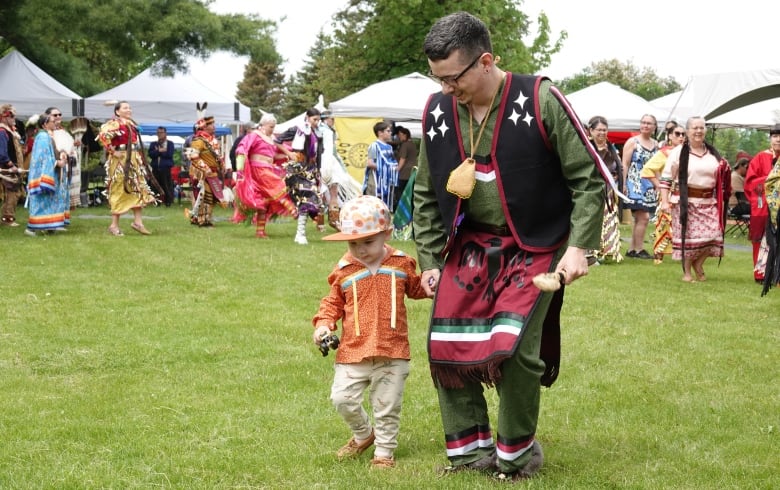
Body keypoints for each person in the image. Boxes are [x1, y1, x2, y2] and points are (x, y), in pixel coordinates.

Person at [414, 12, 606, 482]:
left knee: (514, 348)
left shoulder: (539, 99)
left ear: (485, 61)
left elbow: (589, 180)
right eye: (437, 79)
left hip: (536, 244)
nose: (444, 89)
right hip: (469, 244)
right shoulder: (438, 112)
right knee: (447, 342)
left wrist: (579, 247)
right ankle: (469, 451)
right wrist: (430, 258)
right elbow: (424, 192)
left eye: (452, 78)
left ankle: (517, 456)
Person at [312, 195, 430, 469]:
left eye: (368, 242)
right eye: (354, 243)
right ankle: (364, 434)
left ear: (386, 234)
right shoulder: (344, 270)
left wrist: (431, 287)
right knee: (342, 398)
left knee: (387, 406)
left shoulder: (401, 264)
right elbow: (332, 303)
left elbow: (415, 288)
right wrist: (323, 325)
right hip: (354, 349)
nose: (361, 250)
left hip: (392, 350)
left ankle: (384, 454)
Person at [658, 117, 731, 283]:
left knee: (715, 234)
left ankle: (699, 263)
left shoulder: (712, 153)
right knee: (689, 238)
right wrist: (664, 201)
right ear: (688, 131)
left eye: (701, 128)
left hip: (708, 201)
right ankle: (687, 272)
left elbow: (720, 175)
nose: (698, 131)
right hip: (686, 201)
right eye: (695, 128)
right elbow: (666, 179)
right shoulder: (678, 152)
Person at [231, 113, 297, 238]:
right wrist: (240, 170)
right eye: (271, 126)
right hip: (258, 170)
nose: (273, 129)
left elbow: (274, 156)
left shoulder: (271, 139)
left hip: (269, 168)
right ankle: (291, 208)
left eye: (274, 127)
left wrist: (287, 155)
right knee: (279, 185)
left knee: (264, 203)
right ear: (263, 125)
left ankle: (260, 231)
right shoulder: (254, 135)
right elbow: (241, 149)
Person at [96, 101, 156, 236]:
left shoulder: (131, 123)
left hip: (133, 158)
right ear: (117, 111)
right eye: (125, 108)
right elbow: (103, 136)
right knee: (119, 188)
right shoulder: (114, 123)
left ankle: (138, 222)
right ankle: (114, 225)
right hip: (120, 160)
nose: (129, 110)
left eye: (130, 107)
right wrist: (112, 151)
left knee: (137, 187)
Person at [276, 108, 325, 244]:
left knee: (311, 199)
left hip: (310, 169)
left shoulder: (318, 133)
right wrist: (289, 153)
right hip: (297, 169)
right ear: (307, 117)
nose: (316, 122)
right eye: (314, 119)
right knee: (305, 198)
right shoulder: (297, 129)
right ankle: (300, 234)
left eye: (318, 120)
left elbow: (318, 154)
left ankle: (300, 234)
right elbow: (277, 140)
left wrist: (318, 170)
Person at [641, 121, 686, 263]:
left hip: (684, 193)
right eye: (677, 134)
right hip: (668, 193)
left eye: (683, 134)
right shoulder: (665, 153)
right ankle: (659, 253)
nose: (681, 137)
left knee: (683, 223)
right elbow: (647, 170)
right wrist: (660, 185)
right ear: (670, 136)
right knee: (665, 224)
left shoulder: (689, 152)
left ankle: (682, 252)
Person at [745, 124, 780, 282]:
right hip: (764, 207)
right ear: (770, 138)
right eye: (774, 136)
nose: (778, 139)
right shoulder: (760, 157)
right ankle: (761, 273)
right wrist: (771, 179)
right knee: (762, 239)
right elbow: (750, 183)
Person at [25, 112, 69, 235]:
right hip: (43, 175)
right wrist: (57, 163)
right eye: (52, 121)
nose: (55, 123)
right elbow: (43, 158)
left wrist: (61, 157)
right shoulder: (43, 137)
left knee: (51, 201)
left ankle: (50, 226)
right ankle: (31, 228)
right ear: (45, 124)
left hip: (50, 173)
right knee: (41, 202)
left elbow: (51, 154)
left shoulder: (46, 136)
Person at [621, 114, 659, 259]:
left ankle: (632, 249)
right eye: (643, 122)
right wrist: (623, 184)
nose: (646, 125)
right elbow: (625, 163)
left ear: (654, 126)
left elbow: (657, 167)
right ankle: (639, 249)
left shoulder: (655, 144)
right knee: (643, 217)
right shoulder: (633, 142)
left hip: (649, 184)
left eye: (649, 123)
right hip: (635, 183)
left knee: (640, 218)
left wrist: (658, 184)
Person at [586, 115, 622, 263]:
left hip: (608, 191)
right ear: (591, 131)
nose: (602, 133)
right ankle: (589, 253)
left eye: (604, 130)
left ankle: (606, 251)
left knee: (607, 220)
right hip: (591, 190)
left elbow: (617, 168)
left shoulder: (612, 148)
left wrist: (616, 177)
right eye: (598, 130)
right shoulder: (586, 148)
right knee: (591, 221)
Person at [320, 110, 362, 229]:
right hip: (328, 163)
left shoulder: (320, 130)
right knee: (333, 192)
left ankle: (321, 223)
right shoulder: (327, 132)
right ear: (326, 119)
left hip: (322, 163)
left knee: (322, 193)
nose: (333, 121)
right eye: (332, 119)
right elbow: (329, 150)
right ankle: (333, 221)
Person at [186, 114, 226, 227]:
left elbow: (217, 156)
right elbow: (192, 156)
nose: (214, 126)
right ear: (204, 127)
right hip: (201, 173)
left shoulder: (213, 140)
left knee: (213, 196)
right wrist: (205, 168)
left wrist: (222, 166)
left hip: (213, 172)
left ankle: (201, 217)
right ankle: (202, 220)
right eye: (212, 124)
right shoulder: (197, 140)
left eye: (214, 124)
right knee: (205, 195)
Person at [363, 121, 398, 211]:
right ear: (380, 133)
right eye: (388, 131)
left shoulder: (389, 147)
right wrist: (384, 169)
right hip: (375, 180)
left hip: (386, 181)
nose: (390, 133)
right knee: (375, 203)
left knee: (385, 202)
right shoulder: (374, 146)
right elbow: (370, 163)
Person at [0, 104, 24, 227]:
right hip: (7, 168)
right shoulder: (2, 131)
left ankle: (7, 218)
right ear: (4, 117)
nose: (14, 118)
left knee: (14, 192)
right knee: (11, 192)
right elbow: (2, 153)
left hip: (10, 167)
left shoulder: (10, 131)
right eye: (12, 116)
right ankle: (7, 220)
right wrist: (11, 165)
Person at [148, 126, 175, 207]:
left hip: (165, 168)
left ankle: (168, 202)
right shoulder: (153, 144)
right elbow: (151, 154)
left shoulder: (170, 143)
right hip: (156, 168)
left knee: (166, 184)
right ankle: (156, 202)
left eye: (161, 132)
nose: (160, 134)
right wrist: (159, 151)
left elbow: (169, 154)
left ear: (165, 133)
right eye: (158, 133)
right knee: (155, 186)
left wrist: (158, 152)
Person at [394, 126, 417, 211]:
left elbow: (402, 159)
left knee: (401, 192)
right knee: (410, 192)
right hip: (413, 171)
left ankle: (401, 209)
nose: (399, 137)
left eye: (400, 135)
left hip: (404, 173)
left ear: (405, 135)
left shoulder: (405, 145)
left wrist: (397, 169)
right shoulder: (412, 144)